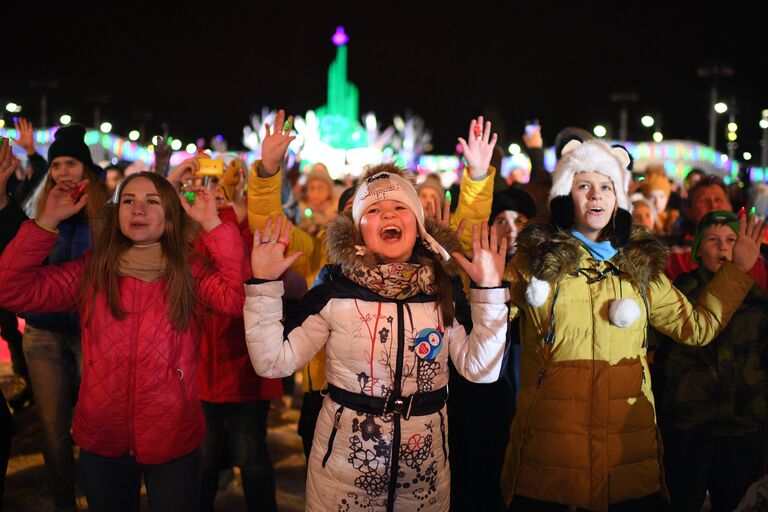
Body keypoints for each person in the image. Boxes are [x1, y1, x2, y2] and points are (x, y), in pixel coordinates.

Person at [499, 139, 764, 511]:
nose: (597, 195)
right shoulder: (534, 264)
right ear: (565, 196)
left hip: (627, 464)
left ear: (618, 197)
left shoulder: (640, 268)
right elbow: (485, 315)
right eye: (583, 185)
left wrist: (737, 271)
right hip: (549, 463)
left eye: (607, 186)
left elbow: (697, 327)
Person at [244, 163, 510, 511]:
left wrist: (489, 292)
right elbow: (273, 362)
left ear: (417, 224)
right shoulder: (336, 287)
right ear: (357, 230)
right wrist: (263, 286)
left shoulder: (441, 287)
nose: (388, 213)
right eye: (373, 209)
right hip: (344, 475)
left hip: (424, 478)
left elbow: (481, 369)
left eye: (400, 207)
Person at [0, 171, 247, 511]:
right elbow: (11, 289)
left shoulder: (190, 271)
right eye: (128, 200)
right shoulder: (95, 269)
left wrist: (212, 223)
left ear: (172, 213)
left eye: (152, 201)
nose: (138, 210)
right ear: (116, 213)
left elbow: (238, 299)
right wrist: (46, 220)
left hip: (172, 437)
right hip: (103, 438)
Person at [1, 125, 107, 510]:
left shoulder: (104, 212)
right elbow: (14, 260)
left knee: (95, 422)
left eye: (72, 163)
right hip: (42, 334)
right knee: (53, 428)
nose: (64, 171)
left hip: (88, 331)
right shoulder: (35, 206)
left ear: (87, 169)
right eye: (57, 164)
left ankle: (102, 496)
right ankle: (64, 500)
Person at [653, 210, 768, 512]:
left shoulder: (757, 301)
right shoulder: (681, 294)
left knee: (738, 502)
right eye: (713, 239)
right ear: (697, 250)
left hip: (743, 424)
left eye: (732, 239)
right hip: (690, 424)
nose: (723, 247)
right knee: (682, 498)